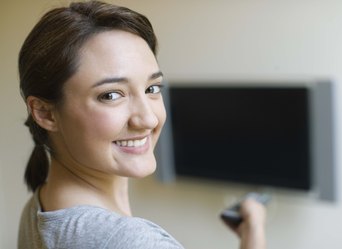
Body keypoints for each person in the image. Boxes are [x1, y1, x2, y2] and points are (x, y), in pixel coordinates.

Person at [17, 1, 267, 248]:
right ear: (45, 113)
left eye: (152, 88)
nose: (149, 118)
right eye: (111, 95)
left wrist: (251, 232)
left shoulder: (41, 206)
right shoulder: (132, 241)